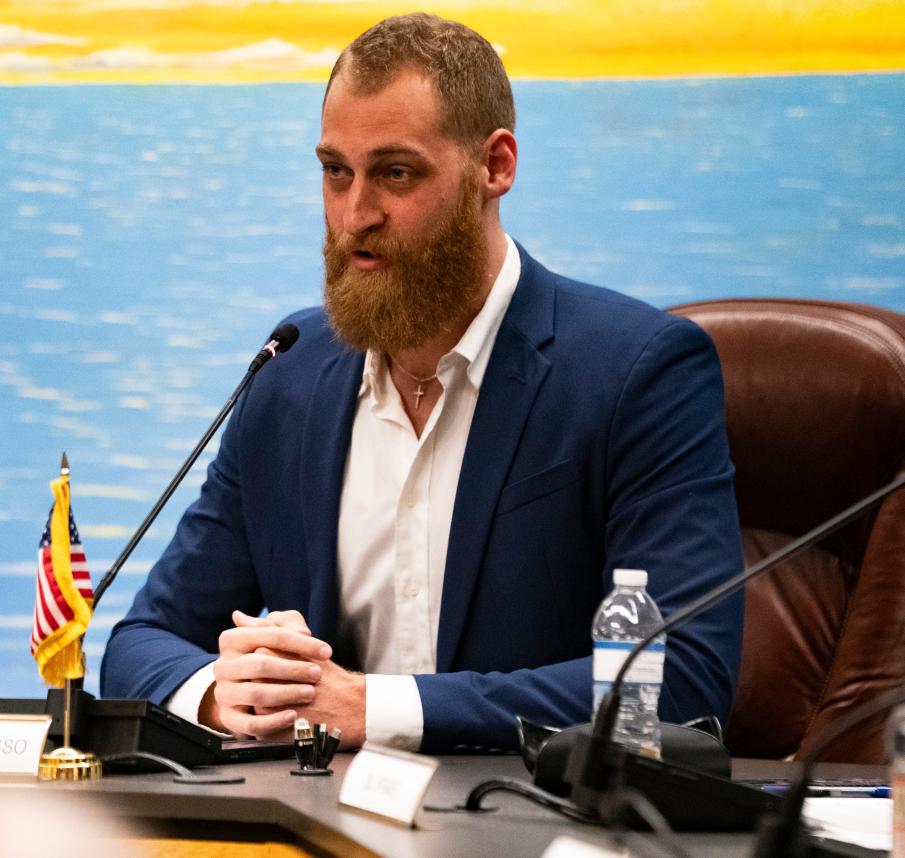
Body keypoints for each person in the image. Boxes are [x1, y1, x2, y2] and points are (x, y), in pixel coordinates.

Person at [101, 13, 744, 753]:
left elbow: (680, 676)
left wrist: (375, 709)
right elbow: (140, 646)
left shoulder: (636, 373)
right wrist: (221, 691)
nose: (354, 216)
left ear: (494, 167)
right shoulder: (292, 371)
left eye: (395, 173)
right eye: (335, 171)